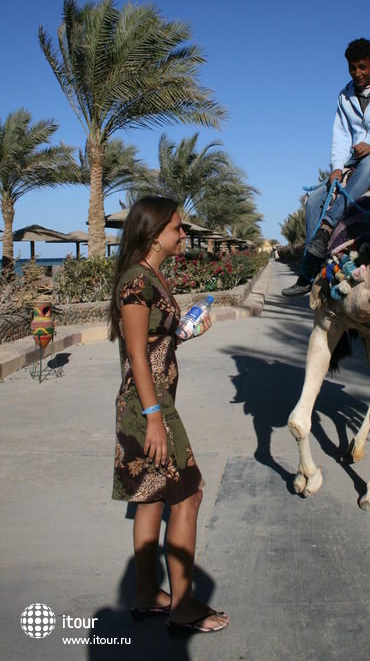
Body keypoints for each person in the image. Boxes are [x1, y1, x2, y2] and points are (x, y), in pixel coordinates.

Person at [109, 195, 229, 635]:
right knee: (188, 494)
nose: (183, 234)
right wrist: (155, 417)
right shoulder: (136, 283)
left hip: (152, 403)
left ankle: (146, 595)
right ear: (154, 232)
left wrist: (185, 332)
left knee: (151, 496)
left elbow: (158, 343)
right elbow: (137, 356)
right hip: (150, 407)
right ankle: (182, 604)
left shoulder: (150, 276)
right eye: (177, 228)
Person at [282, 38, 370, 297]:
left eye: (362, 67)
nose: (357, 74)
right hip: (353, 159)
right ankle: (309, 273)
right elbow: (340, 135)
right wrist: (337, 168)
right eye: (352, 68)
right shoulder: (345, 95)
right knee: (314, 199)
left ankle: (327, 227)